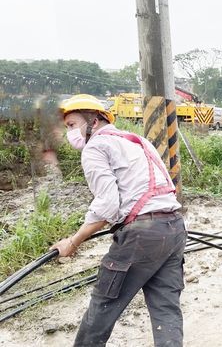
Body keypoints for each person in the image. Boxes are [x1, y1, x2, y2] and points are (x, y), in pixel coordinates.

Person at [50, 94, 186, 346]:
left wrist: (73, 240)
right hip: (174, 228)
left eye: (71, 125)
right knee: (166, 309)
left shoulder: (96, 147)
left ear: (94, 120)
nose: (69, 132)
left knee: (102, 307)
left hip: (141, 236)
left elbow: (108, 205)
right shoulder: (137, 141)